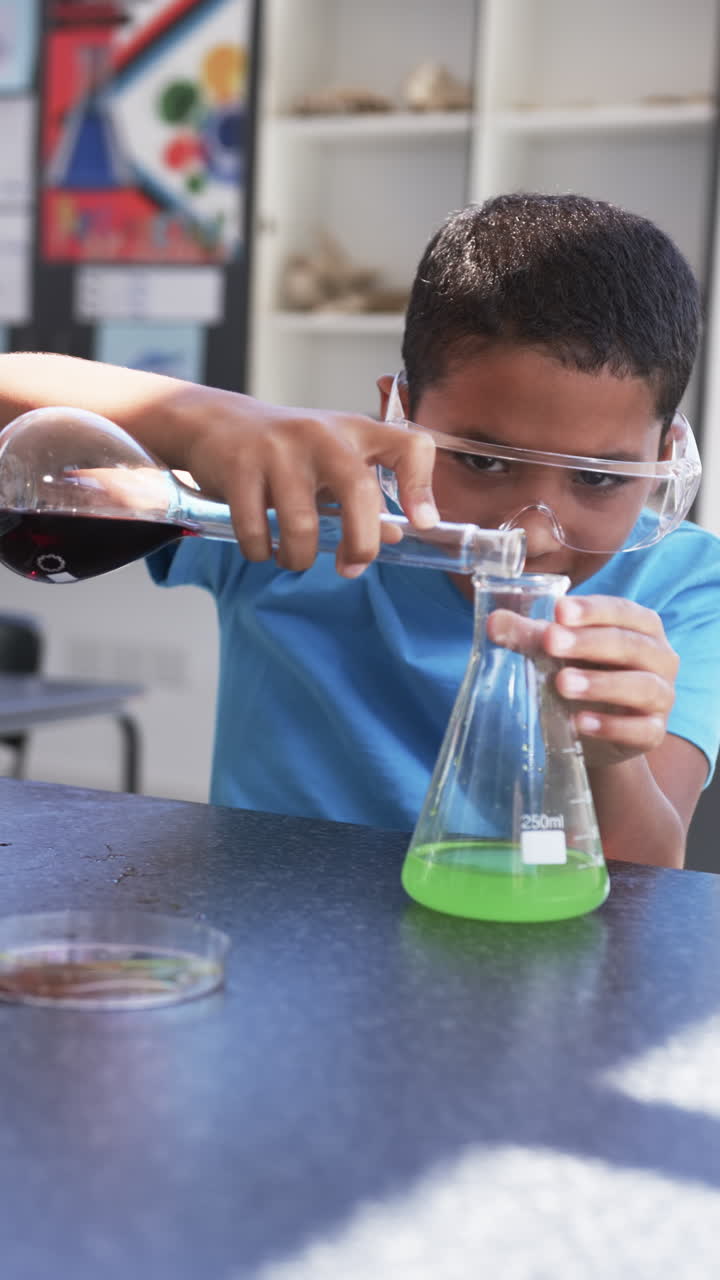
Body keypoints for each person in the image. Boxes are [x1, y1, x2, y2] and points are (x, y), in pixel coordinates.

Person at [0, 192, 718, 868]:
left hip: (518, 974)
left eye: (597, 478)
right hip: (271, 963)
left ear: (663, 460)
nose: (530, 533)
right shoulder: (302, 509)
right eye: (480, 461)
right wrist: (204, 418)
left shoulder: (686, 585)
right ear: (397, 414)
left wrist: (610, 756)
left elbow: (650, 880)